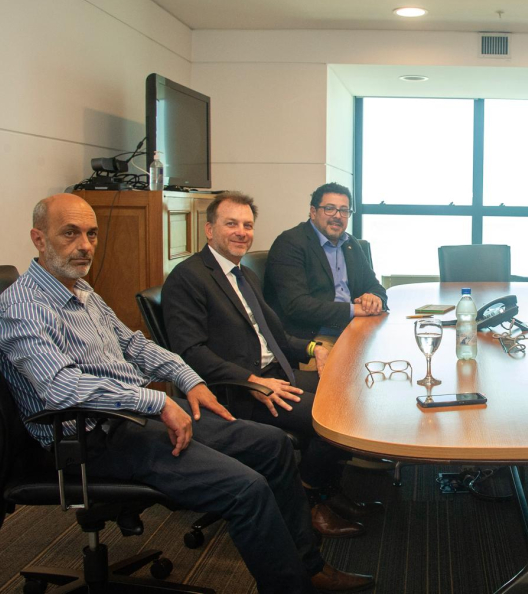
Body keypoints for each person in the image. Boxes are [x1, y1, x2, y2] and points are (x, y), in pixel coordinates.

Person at [0, 194, 373, 594]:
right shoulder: (22, 307)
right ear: (39, 238)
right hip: (89, 439)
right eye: (70, 233)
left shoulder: (81, 292)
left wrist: (189, 382)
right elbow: (62, 386)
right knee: (246, 488)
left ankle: (308, 567)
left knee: (272, 445)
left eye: (92, 234)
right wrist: (157, 400)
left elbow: (136, 346)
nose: (85, 245)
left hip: (135, 417)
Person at [162, 191, 381, 540]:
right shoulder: (187, 278)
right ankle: (308, 502)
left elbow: (273, 334)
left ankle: (326, 489)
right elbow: (191, 352)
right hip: (237, 391)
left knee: (351, 390)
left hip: (276, 374)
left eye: (247, 225)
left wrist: (312, 348)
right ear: (208, 230)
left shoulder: (243, 274)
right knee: (335, 415)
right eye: (231, 224)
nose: (241, 232)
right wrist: (251, 380)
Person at [264, 183, 387, 369]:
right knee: (348, 379)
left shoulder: (351, 244)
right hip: (313, 339)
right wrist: (353, 310)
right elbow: (297, 306)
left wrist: (374, 297)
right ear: (313, 212)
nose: (338, 216)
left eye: (344, 210)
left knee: (393, 361)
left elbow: (376, 287)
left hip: (355, 330)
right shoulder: (290, 244)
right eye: (330, 209)